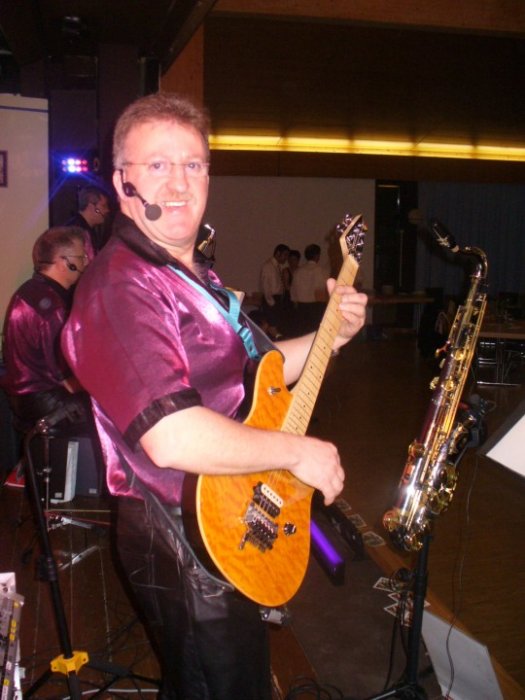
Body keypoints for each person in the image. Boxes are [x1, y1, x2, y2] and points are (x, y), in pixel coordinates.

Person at [61, 92, 367, 700]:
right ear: (121, 182)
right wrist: (298, 452)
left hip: (230, 514)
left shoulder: (189, 273)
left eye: (193, 165)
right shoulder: (121, 285)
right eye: (158, 165)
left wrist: (332, 335)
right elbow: (172, 436)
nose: (179, 183)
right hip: (182, 534)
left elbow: (261, 371)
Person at [1, 226, 90, 431]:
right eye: (81, 257)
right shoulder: (53, 307)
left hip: (26, 400)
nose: (85, 262)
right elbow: (64, 376)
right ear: (64, 262)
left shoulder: (28, 291)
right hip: (48, 402)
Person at [291, 243, 329, 334]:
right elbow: (325, 289)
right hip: (317, 307)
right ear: (317, 256)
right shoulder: (321, 271)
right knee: (316, 333)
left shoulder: (298, 271)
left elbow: (293, 291)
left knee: (303, 332)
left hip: (301, 307)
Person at [65, 185, 111, 256]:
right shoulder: (77, 231)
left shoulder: (87, 230)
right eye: (104, 206)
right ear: (91, 207)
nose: (107, 210)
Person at [259, 243, 290, 330]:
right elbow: (265, 285)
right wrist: (271, 302)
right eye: (285, 255)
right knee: (272, 325)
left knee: (270, 324)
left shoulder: (277, 266)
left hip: (276, 299)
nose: (286, 258)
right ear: (278, 253)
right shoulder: (268, 266)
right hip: (271, 299)